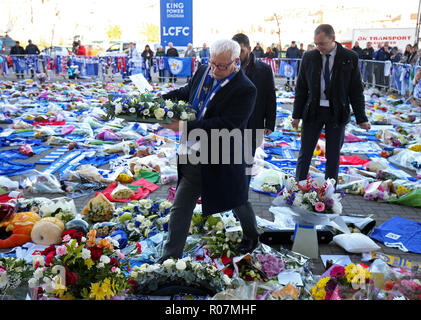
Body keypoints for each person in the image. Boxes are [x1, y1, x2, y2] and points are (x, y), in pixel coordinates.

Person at [157, 39, 259, 262]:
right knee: (181, 206)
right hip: (193, 152)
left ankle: (252, 236)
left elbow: (227, 124)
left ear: (235, 61)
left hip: (223, 154)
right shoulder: (204, 70)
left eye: (221, 66)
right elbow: (187, 91)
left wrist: (184, 127)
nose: (215, 69)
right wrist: (160, 101)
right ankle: (169, 258)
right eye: (212, 63)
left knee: (237, 199)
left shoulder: (245, 89)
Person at [292, 24, 370, 185]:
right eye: (316, 43)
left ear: (333, 39)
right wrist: (296, 116)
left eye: (322, 43)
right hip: (313, 111)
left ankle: (330, 190)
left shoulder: (349, 57)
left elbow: (355, 90)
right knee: (305, 151)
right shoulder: (309, 57)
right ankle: (298, 185)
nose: (318, 47)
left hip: (337, 112)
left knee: (333, 154)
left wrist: (361, 118)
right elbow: (301, 88)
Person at [232, 32, 276, 168]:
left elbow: (270, 97)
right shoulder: (228, 67)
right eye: (234, 51)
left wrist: (270, 122)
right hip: (232, 122)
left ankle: (243, 187)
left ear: (249, 50)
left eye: (241, 51)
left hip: (254, 121)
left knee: (247, 163)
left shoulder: (264, 70)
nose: (237, 55)